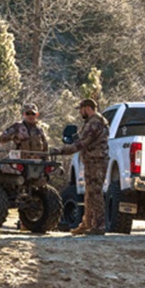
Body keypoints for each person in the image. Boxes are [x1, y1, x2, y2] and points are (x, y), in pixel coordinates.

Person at [53, 98, 109, 235]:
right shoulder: (93, 122)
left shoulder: (94, 123)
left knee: (95, 193)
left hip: (96, 161)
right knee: (89, 193)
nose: (80, 112)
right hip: (92, 161)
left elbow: (82, 143)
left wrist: (61, 150)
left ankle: (99, 225)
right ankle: (87, 224)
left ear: (87, 108)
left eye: (81, 109)